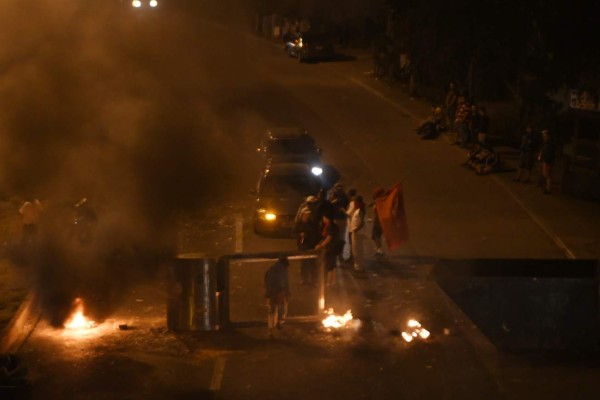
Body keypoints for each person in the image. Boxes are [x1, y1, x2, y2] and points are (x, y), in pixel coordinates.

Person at [294, 196, 321, 285]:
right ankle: (304, 280)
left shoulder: (312, 223)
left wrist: (316, 242)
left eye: (309, 214)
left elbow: (316, 234)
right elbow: (294, 233)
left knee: (313, 264)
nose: (308, 216)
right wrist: (300, 235)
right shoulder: (299, 224)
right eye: (306, 214)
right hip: (302, 246)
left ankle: (314, 280)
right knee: (304, 264)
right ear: (302, 215)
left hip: (311, 246)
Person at [264, 256, 290, 338]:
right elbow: (285, 282)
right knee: (282, 309)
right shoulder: (283, 270)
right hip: (279, 292)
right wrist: (287, 291)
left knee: (272, 311)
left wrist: (268, 293)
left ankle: (271, 330)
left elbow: (267, 281)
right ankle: (279, 323)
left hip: (272, 293)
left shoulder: (271, 269)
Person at [315, 207, 341, 287]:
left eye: (324, 217)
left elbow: (329, 238)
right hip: (334, 248)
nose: (323, 219)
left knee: (329, 265)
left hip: (331, 248)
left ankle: (329, 282)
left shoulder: (330, 226)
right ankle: (333, 281)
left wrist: (321, 245)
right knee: (333, 265)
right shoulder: (333, 225)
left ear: (327, 217)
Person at [327, 183, 349, 265]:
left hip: (337, 219)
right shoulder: (345, 197)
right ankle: (339, 256)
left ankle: (337, 255)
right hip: (340, 219)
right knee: (340, 238)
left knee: (335, 238)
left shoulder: (335, 198)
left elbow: (329, 204)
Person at [347, 195, 366, 271]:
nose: (354, 204)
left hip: (357, 233)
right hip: (355, 232)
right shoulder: (357, 210)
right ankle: (357, 265)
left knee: (357, 249)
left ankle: (359, 266)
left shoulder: (361, 210)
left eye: (355, 202)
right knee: (356, 249)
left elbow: (362, 223)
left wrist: (355, 230)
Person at [538, 129, 555, 194]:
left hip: (547, 161)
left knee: (547, 175)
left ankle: (548, 189)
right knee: (545, 174)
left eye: (544, 134)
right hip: (544, 160)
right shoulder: (545, 142)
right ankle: (545, 187)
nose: (543, 136)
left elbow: (550, 153)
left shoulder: (550, 143)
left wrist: (546, 161)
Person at [370, 187, 385, 257]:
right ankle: (378, 248)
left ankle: (379, 250)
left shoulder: (379, 202)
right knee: (375, 236)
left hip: (378, 222)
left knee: (376, 236)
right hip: (380, 222)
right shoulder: (382, 200)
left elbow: (375, 210)